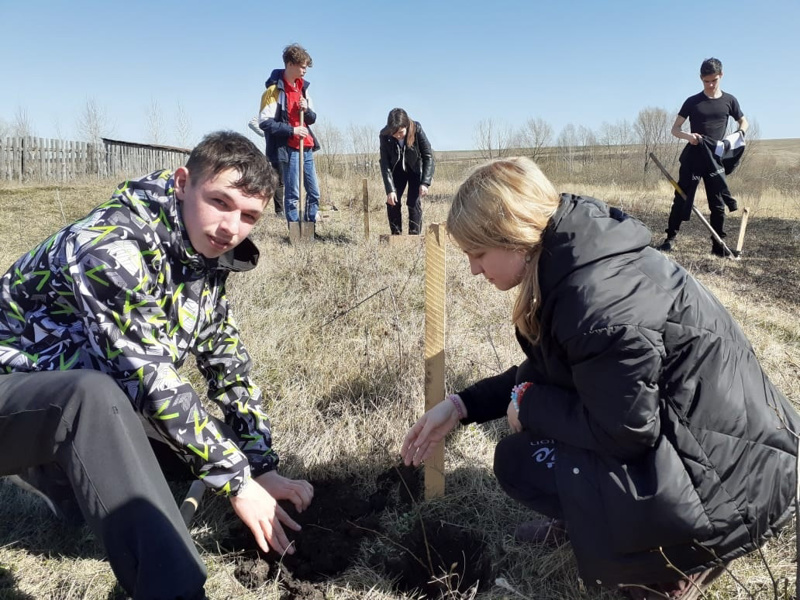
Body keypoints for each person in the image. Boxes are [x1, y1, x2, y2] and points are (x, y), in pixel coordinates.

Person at [401, 157, 799, 599]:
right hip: (721, 455)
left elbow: (624, 431)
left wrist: (528, 404)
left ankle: (671, 566)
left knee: (518, 462)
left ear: (512, 235)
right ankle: (597, 519)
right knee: (528, 443)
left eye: (478, 253)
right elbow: (567, 374)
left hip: (731, 490)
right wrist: (462, 405)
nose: (474, 269)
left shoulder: (596, 303)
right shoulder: (576, 258)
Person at [0, 131, 314, 599]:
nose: (231, 227)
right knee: (90, 399)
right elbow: (148, 381)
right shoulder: (111, 248)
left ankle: (55, 475)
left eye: (248, 216)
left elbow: (225, 357)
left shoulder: (199, 251)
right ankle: (174, 590)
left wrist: (259, 465)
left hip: (67, 394)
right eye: (220, 202)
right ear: (183, 183)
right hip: (18, 395)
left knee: (218, 445)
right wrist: (236, 483)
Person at [656, 57, 748, 256]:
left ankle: (718, 246)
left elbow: (744, 122)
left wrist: (738, 134)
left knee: (717, 204)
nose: (710, 84)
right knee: (681, 198)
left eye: (714, 80)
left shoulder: (729, 100)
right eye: (706, 81)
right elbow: (675, 129)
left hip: (714, 160)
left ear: (721, 76)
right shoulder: (692, 101)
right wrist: (688, 136)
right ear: (701, 79)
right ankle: (670, 239)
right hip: (693, 158)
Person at [258, 43, 321, 225]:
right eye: (302, 66)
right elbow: (265, 122)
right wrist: (292, 130)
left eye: (306, 67)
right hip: (289, 148)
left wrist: (306, 109)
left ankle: (310, 228)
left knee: (314, 191)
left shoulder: (304, 89)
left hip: (306, 146)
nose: (305, 70)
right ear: (290, 64)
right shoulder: (273, 91)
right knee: (293, 193)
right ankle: (294, 230)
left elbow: (312, 118)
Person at [379, 108, 434, 235]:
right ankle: (396, 236)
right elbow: (385, 163)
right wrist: (390, 189)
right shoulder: (384, 134)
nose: (398, 136)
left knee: (413, 202)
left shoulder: (417, 128)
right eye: (394, 133)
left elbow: (428, 156)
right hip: (396, 171)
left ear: (406, 126)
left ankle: (414, 237)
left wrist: (425, 182)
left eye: (401, 132)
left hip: (414, 169)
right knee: (392, 201)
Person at [248, 115, 285, 216]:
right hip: (275, 151)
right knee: (279, 182)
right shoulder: (269, 109)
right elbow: (252, 122)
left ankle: (290, 210)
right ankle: (280, 211)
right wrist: (266, 133)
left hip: (290, 149)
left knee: (290, 181)